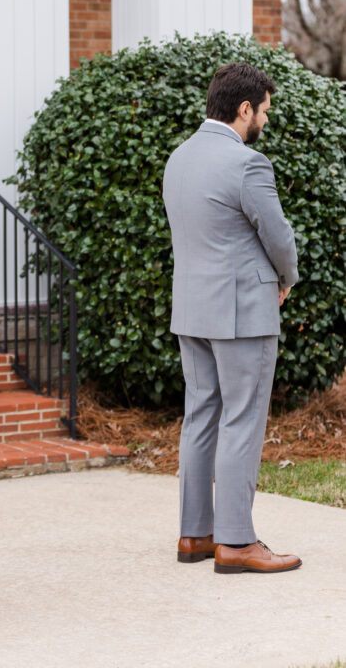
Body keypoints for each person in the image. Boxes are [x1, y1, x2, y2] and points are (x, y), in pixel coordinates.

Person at [163, 63, 301, 574]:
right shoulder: (247, 163)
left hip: (193, 311)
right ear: (245, 109)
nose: (265, 118)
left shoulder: (178, 158)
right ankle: (237, 541)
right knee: (242, 419)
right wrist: (286, 279)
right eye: (264, 110)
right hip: (243, 311)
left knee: (201, 418)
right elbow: (279, 236)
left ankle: (195, 534)